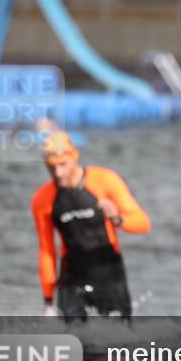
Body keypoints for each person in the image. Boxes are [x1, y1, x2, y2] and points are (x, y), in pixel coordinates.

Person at [31, 132, 151, 322]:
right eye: (51, 167)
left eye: (63, 165)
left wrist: (117, 218)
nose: (58, 173)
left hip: (109, 273)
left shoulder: (105, 180)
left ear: (75, 157)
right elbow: (46, 250)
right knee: (72, 336)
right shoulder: (42, 199)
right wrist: (47, 301)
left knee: (116, 337)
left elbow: (143, 223)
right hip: (72, 277)